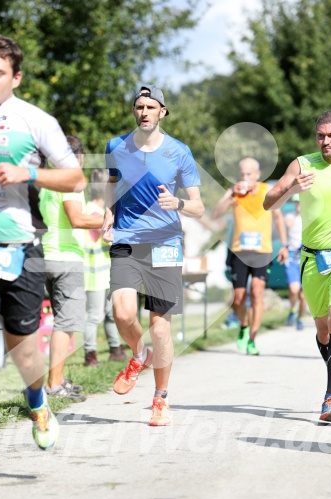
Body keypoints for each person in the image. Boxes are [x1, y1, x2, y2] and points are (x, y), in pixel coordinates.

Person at [0, 34, 86, 497]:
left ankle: (37, 400)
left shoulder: (36, 121)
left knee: (24, 354)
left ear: (16, 77)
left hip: (23, 250)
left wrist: (27, 172)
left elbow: (75, 178)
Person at [102, 84, 204, 426]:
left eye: (150, 106)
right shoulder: (116, 147)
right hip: (127, 240)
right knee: (122, 312)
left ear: (162, 112)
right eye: (139, 106)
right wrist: (107, 216)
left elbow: (199, 207)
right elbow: (110, 186)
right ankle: (138, 355)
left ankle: (161, 398)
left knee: (160, 328)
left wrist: (177, 203)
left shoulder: (179, 152)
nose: (144, 111)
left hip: (165, 242)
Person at [264, 109, 331, 424]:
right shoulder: (303, 165)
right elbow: (267, 202)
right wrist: (291, 190)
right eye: (321, 136)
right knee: (323, 330)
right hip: (312, 258)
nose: (325, 141)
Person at [39, 136, 103, 397]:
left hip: (45, 254)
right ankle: (54, 385)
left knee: (60, 322)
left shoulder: (46, 182)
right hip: (66, 258)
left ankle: (59, 379)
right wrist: (107, 221)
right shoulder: (70, 182)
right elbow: (76, 219)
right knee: (66, 324)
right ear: (81, 158)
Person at [212, 157, 288, 355]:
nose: (245, 177)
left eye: (249, 174)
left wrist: (284, 245)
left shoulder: (266, 191)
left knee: (256, 292)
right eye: (242, 174)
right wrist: (231, 196)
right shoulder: (234, 192)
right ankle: (244, 326)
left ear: (258, 175)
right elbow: (216, 214)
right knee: (238, 299)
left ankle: (253, 339)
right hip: (239, 251)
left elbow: (278, 218)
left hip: (262, 251)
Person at [83, 169, 126, 367]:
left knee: (111, 313)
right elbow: (106, 236)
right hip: (94, 273)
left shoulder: (102, 211)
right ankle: (90, 355)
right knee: (94, 315)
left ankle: (116, 349)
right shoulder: (92, 211)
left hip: (107, 271)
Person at [283, 194, 307, 330]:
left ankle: (300, 318)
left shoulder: (309, 217)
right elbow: (282, 230)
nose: (298, 205)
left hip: (305, 257)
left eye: (300, 202)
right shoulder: (290, 217)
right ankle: (292, 309)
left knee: (303, 296)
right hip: (292, 257)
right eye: (296, 203)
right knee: (294, 290)